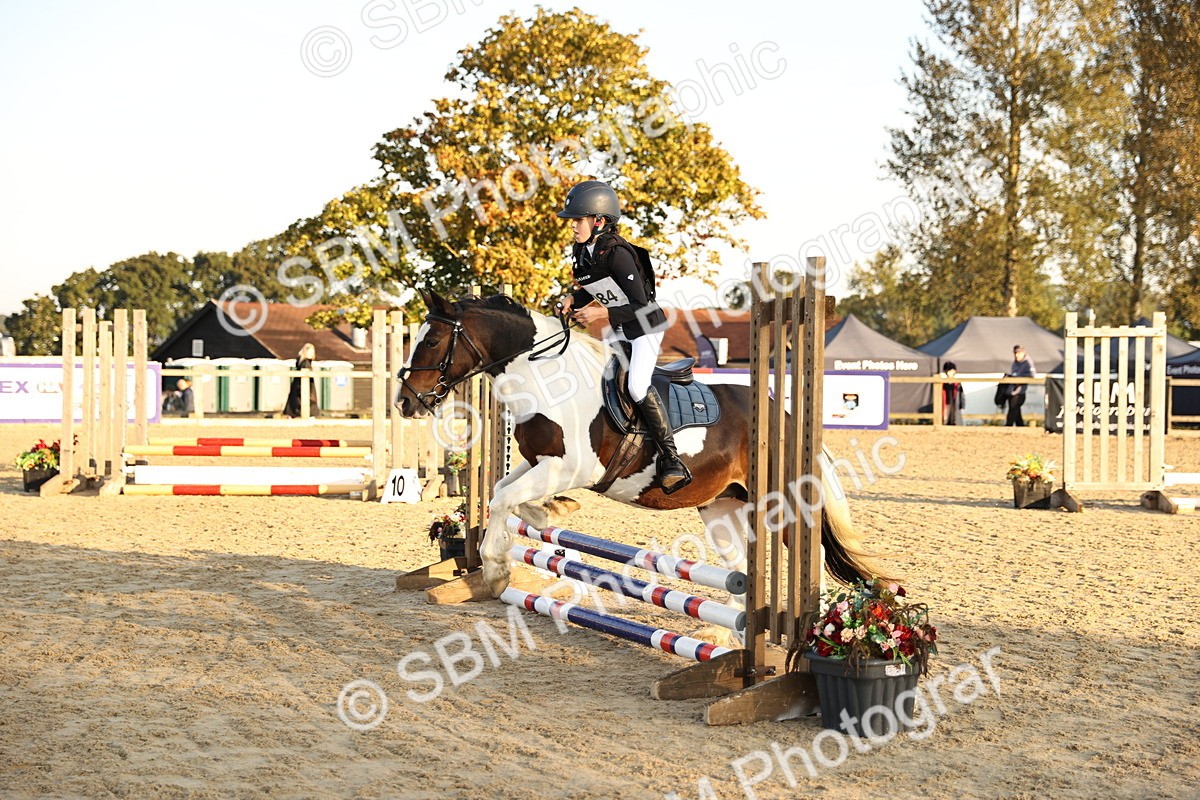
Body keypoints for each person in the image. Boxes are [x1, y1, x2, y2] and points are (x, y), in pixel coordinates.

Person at [555, 179, 691, 494]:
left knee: (636, 385)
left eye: (578, 219)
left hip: (644, 329)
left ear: (599, 221)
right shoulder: (582, 250)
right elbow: (590, 287)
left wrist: (600, 314)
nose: (573, 226)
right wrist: (571, 302)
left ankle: (671, 459)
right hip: (620, 329)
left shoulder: (617, 253)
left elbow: (641, 305)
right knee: (600, 380)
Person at [1005, 345, 1036, 427]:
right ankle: (1020, 426)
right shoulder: (1015, 363)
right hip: (1013, 390)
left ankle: (1008, 426)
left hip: (1020, 391)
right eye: (1015, 353)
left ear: (1023, 352)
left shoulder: (1028, 362)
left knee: (1013, 408)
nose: (1016, 355)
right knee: (1016, 410)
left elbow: (1032, 375)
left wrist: (1020, 380)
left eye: (1019, 353)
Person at [284, 343, 318, 418]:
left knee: (296, 399)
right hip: (304, 384)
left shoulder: (301, 361)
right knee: (304, 400)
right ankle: (308, 415)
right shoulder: (306, 362)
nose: (312, 354)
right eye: (310, 352)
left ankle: (292, 414)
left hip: (298, 384)